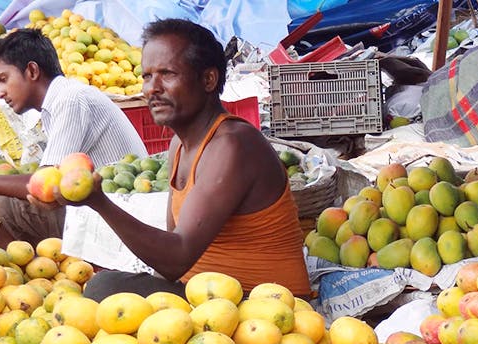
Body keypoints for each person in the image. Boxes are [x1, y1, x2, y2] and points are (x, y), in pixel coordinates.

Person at [46, 19, 311, 301]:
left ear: (208, 80)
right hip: (206, 295)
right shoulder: (179, 145)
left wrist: (100, 202)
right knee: (109, 287)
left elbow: (176, 258)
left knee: (106, 288)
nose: (152, 88)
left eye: (167, 74)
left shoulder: (233, 144)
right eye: (147, 76)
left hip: (264, 306)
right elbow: (171, 260)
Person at [0, 29, 148, 248]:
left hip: (121, 217)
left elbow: (46, 186)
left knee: (4, 208)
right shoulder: (59, 102)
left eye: (3, 79)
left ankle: (19, 284)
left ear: (32, 71)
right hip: (107, 207)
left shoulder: (70, 100)